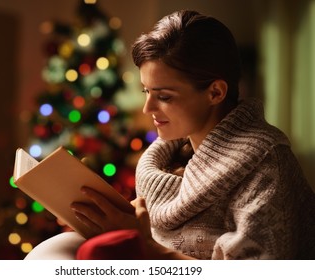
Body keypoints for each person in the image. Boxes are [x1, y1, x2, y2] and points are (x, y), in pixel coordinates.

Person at [25, 9, 315, 260]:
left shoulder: (266, 163)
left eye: (164, 96)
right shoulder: (162, 162)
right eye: (146, 92)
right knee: (55, 250)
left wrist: (145, 246)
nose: (148, 107)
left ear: (215, 92)